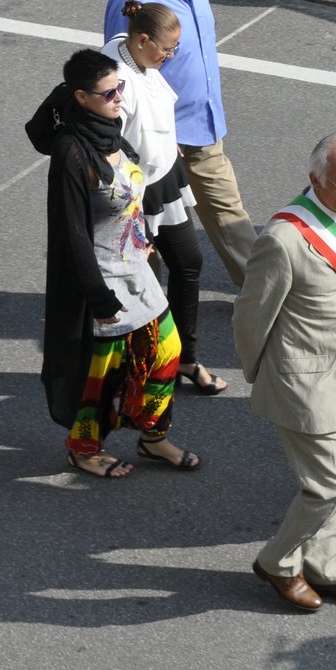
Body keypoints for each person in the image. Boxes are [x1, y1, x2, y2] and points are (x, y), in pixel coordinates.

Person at [26, 49, 200, 478]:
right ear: (81, 98)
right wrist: (99, 299)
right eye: (109, 93)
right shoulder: (71, 152)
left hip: (137, 269)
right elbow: (73, 235)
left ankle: (153, 438)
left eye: (120, 87)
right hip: (102, 282)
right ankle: (83, 449)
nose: (120, 97)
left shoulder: (110, 128)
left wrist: (144, 239)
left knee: (167, 352)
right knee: (100, 375)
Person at [234, 134, 336, 612]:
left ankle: (327, 567)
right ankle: (277, 563)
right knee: (329, 486)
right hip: (304, 384)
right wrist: (265, 376)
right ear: (314, 178)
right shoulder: (283, 240)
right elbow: (250, 316)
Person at [105, 0, 254, 286]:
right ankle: (147, 308)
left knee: (230, 216)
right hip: (159, 141)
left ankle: (263, 293)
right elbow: (120, 76)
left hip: (203, 127)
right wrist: (159, 137)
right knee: (151, 230)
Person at [101, 0, 227, 396]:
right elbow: (112, 146)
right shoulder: (117, 77)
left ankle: (185, 359)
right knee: (147, 286)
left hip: (164, 178)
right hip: (139, 192)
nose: (170, 56)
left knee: (189, 263)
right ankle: (151, 365)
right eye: (166, 49)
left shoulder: (136, 54)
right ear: (142, 41)